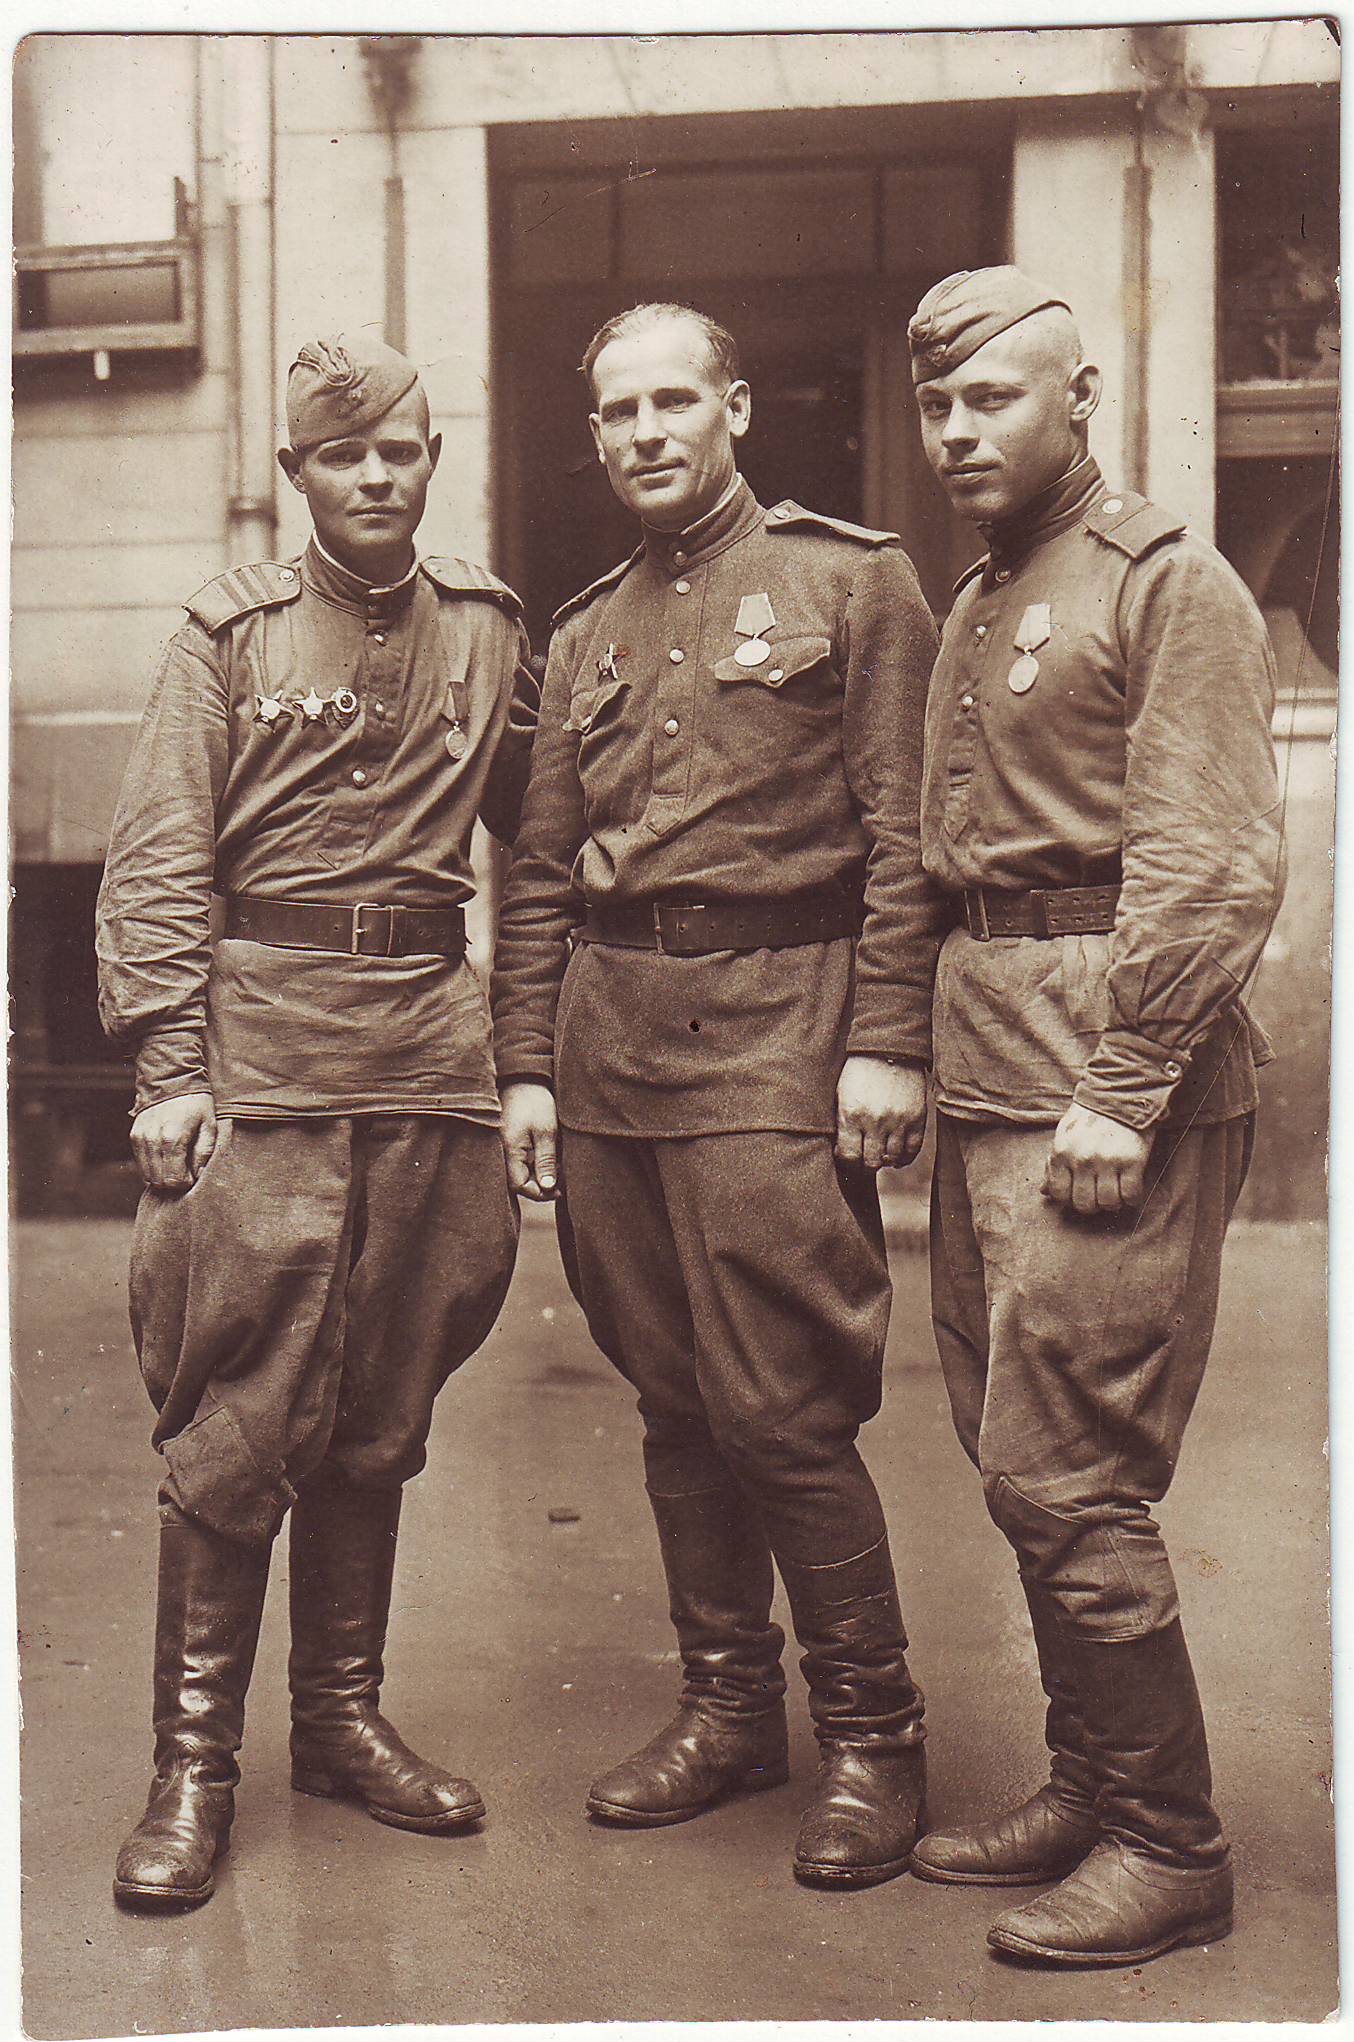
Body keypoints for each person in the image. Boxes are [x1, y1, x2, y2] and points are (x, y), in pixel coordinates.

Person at [490, 302, 943, 1888]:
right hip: (612, 1044)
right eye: (619, 412)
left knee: (781, 1405)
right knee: (673, 1396)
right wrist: (525, 1065)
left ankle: (873, 1734)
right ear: (594, 436)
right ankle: (729, 1710)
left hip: (778, 1028)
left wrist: (888, 1037)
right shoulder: (584, 629)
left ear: (736, 408)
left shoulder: (851, 581)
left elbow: (905, 833)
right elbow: (541, 868)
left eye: (674, 401)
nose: (646, 433)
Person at [95, 330, 538, 1911]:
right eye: (343, 455)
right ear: (296, 473)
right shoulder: (230, 631)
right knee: (238, 1415)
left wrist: (524, 1052)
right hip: (267, 1059)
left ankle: (340, 1721)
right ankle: (192, 1766)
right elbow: (159, 852)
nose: (375, 475)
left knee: (380, 1406)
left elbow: (544, 848)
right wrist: (170, 1066)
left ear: (431, 459)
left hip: (426, 1056)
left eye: (399, 449)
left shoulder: (488, 628)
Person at [904, 267, 1283, 1964]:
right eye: (937, 403)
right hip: (994, 1065)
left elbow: (1213, 857)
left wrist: (1123, 1088)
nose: (956, 428)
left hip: (1105, 1082)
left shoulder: (1162, 580)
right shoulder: (984, 593)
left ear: (1079, 400)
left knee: (1070, 1473)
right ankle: (1087, 1778)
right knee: (1015, 1459)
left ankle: (1167, 1842)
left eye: (991, 396)